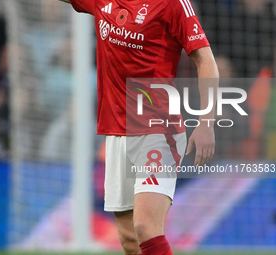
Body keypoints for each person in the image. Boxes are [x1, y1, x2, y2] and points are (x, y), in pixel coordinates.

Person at [58, 0, 219, 254]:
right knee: (130, 240)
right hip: (116, 131)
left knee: (145, 226)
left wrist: (206, 123)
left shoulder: (173, 4)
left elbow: (206, 60)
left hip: (158, 128)